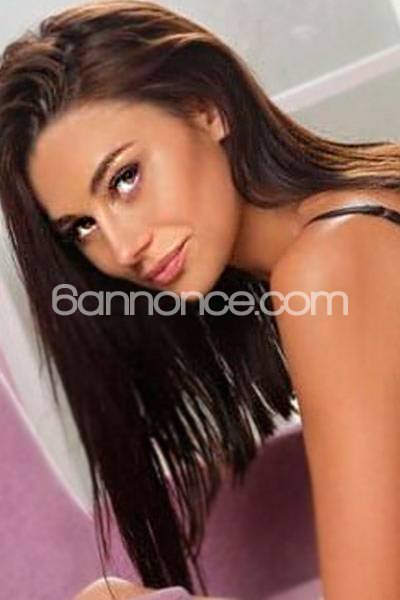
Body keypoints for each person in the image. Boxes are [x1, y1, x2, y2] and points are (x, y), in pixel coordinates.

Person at [1, 1, 400, 598]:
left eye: (126, 178)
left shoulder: (332, 263)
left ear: (206, 108)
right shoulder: (355, 217)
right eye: (82, 227)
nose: (123, 248)